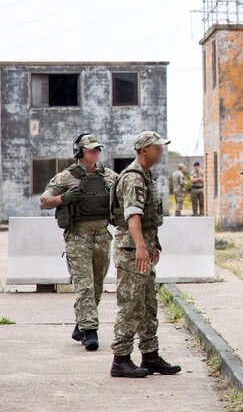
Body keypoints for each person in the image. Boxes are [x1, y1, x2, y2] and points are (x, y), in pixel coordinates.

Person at [109, 131, 181, 378]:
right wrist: (140, 246)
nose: (161, 151)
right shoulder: (134, 178)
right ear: (143, 150)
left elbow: (149, 217)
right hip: (132, 251)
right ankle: (120, 360)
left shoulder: (146, 175)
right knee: (131, 305)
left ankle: (150, 356)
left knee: (148, 304)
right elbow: (133, 215)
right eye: (157, 147)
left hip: (143, 249)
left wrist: (153, 244)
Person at [39, 133, 118, 351]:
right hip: (78, 236)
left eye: (97, 149)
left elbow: (122, 197)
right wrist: (63, 198)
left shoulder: (109, 176)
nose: (95, 153)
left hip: (102, 236)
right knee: (84, 285)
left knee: (97, 287)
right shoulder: (66, 177)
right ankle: (91, 332)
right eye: (91, 149)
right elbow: (44, 202)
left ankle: (80, 326)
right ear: (80, 151)